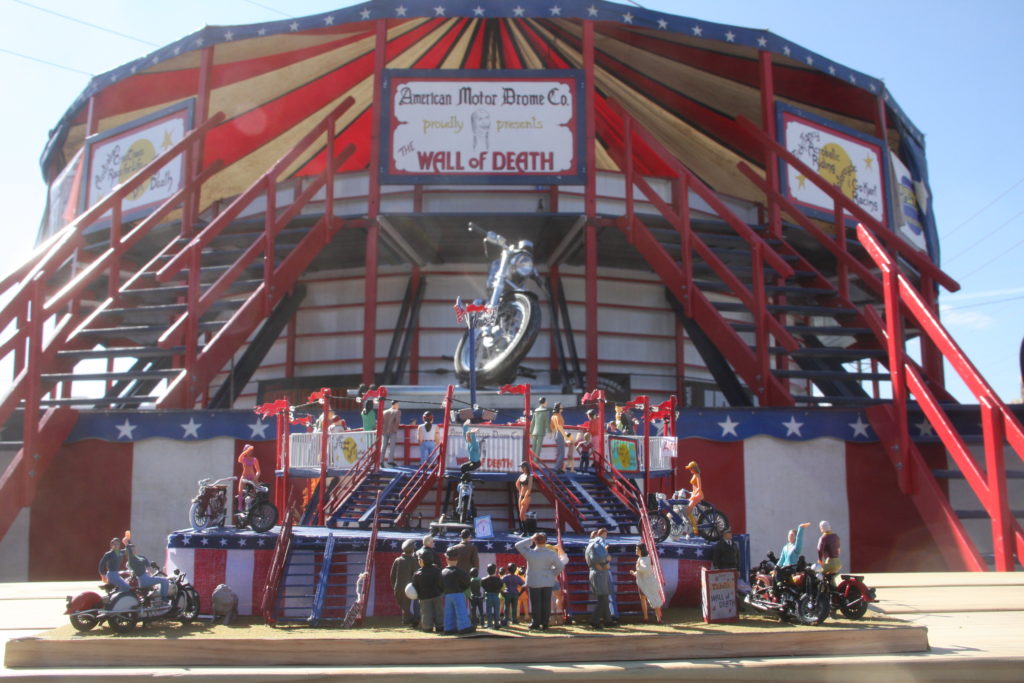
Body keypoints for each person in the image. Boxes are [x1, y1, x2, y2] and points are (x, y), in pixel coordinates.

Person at [514, 532, 568, 630]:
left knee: (536, 603)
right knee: (546, 602)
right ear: (546, 541)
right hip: (547, 580)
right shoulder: (551, 553)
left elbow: (517, 545)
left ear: (535, 542)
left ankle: (536, 623)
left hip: (534, 581)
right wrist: (552, 574)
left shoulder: (530, 553)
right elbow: (560, 566)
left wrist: (530, 539)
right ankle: (545, 623)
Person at [124, 534, 169, 604]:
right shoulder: (131, 560)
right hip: (142, 579)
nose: (133, 551)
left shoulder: (141, 557)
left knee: (160, 581)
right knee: (165, 581)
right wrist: (126, 543)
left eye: (134, 549)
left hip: (146, 577)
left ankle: (158, 600)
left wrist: (152, 576)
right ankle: (164, 599)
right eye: (131, 550)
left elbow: (149, 569)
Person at [441, 547, 473, 634]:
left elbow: (440, 584)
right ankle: (464, 627)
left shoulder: (443, 572)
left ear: (446, 558)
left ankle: (449, 628)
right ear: (457, 559)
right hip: (458, 593)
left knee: (448, 612)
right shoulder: (461, 572)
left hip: (447, 595)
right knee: (461, 610)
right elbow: (467, 582)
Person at [585, 529, 613, 629]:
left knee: (604, 598)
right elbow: (597, 560)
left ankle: (608, 620)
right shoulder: (595, 546)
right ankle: (594, 620)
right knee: (603, 598)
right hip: (599, 573)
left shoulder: (591, 546)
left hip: (598, 573)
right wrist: (606, 560)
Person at [412, 549, 444, 633]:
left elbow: (415, 587)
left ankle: (427, 627)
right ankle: (440, 627)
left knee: (426, 614)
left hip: (424, 598)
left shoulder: (417, 574)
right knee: (439, 612)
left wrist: (419, 594)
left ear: (421, 561)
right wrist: (440, 591)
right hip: (437, 595)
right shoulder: (437, 571)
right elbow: (441, 583)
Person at [631, 543, 663, 623]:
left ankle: (658, 618)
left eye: (637, 549)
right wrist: (635, 573)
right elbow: (641, 571)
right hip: (643, 583)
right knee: (643, 598)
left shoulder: (645, 559)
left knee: (654, 598)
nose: (636, 550)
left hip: (649, 582)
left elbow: (645, 569)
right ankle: (646, 617)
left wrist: (637, 570)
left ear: (641, 550)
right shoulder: (641, 559)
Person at [390, 539, 419, 626]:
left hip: (398, 587)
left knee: (404, 606)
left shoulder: (398, 560)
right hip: (409, 589)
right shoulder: (413, 561)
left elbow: (392, 575)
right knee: (406, 607)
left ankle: (407, 620)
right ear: (412, 550)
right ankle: (412, 620)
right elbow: (416, 574)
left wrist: (394, 586)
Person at [237, 443, 261, 511]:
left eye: (250, 451)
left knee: (258, 490)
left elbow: (258, 471)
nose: (250, 452)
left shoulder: (254, 459)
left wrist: (256, 477)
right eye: (248, 451)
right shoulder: (243, 459)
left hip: (252, 477)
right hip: (244, 476)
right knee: (240, 491)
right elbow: (239, 458)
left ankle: (256, 504)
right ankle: (240, 506)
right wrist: (246, 451)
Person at [684, 460, 704, 535]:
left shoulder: (697, 475)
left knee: (688, 510)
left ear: (694, 468)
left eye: (691, 468)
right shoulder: (694, 475)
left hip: (698, 495)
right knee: (688, 510)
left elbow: (699, 487)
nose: (690, 470)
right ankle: (694, 523)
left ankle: (695, 527)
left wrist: (694, 494)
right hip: (694, 494)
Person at [481, 563, 504, 628]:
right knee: (497, 611)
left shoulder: (483, 580)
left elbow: (483, 586)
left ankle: (489, 624)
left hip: (488, 596)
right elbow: (501, 586)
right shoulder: (499, 580)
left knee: (489, 611)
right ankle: (497, 623)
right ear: (495, 570)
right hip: (496, 596)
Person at [550, 402, 571, 472]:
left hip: (556, 433)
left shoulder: (553, 416)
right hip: (560, 434)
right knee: (562, 453)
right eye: (561, 407)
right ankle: (556, 468)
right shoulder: (558, 416)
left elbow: (552, 427)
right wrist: (565, 436)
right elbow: (560, 427)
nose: (562, 408)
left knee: (559, 452)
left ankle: (558, 468)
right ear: (559, 408)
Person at [381, 400, 401, 467]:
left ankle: (381, 461)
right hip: (392, 430)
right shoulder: (397, 411)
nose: (398, 405)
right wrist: (395, 429)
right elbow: (397, 421)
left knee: (383, 446)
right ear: (394, 405)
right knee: (392, 446)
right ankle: (390, 460)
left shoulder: (384, 412)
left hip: (384, 430)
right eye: (397, 404)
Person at [515, 461, 533, 535]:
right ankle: (523, 530)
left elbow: (529, 488)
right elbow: (517, 483)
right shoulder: (521, 476)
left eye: (522, 467)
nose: (521, 469)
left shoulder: (530, 476)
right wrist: (520, 491)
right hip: (521, 495)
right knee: (520, 514)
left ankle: (526, 531)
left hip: (527, 496)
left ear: (525, 467)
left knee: (522, 514)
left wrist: (525, 497)